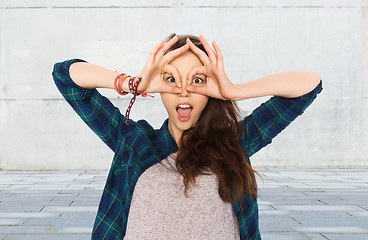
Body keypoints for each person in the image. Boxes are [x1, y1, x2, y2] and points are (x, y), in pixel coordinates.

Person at [52, 33, 323, 240]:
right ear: (158, 87)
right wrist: (134, 83)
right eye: (171, 80)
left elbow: (309, 85)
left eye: (197, 80)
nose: (183, 91)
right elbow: (65, 76)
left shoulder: (235, 143)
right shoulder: (134, 142)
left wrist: (232, 90)